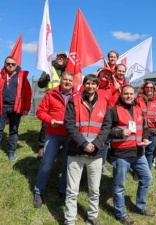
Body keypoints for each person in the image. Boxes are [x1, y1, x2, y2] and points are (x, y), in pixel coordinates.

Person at [64, 74, 111, 225]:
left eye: (93, 84)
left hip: (96, 153)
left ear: (97, 86)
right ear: (84, 85)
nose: (90, 86)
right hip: (76, 151)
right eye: (88, 83)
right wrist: (84, 143)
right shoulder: (74, 101)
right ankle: (70, 219)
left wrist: (95, 144)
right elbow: (69, 124)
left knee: (94, 189)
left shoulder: (104, 103)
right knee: (72, 190)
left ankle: (92, 216)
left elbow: (106, 127)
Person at [110, 85, 155, 225]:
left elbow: (145, 127)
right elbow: (105, 131)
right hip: (121, 154)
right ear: (121, 94)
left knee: (147, 178)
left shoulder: (138, 109)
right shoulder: (114, 110)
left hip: (138, 152)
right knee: (119, 186)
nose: (129, 96)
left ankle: (140, 206)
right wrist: (119, 133)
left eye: (131, 93)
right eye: (126, 93)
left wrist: (146, 138)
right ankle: (120, 213)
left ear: (134, 95)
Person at [33, 71, 76, 208]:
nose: (67, 82)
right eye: (65, 79)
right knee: (47, 162)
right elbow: (40, 111)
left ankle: (63, 190)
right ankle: (38, 191)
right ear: (61, 80)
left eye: (70, 80)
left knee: (67, 164)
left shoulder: (78, 96)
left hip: (70, 135)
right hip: (53, 133)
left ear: (73, 82)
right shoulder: (51, 93)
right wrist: (50, 120)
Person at [37, 52, 68, 159]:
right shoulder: (49, 68)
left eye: (64, 58)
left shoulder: (68, 70)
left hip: (64, 100)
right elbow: (40, 84)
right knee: (46, 124)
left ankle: (58, 148)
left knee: (62, 124)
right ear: (56, 58)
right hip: (51, 99)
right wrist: (47, 77)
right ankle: (42, 147)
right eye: (60, 57)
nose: (61, 59)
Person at [0, 56, 32, 161]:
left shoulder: (22, 77)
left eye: (13, 64)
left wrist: (26, 107)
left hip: (16, 108)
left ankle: (11, 152)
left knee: (14, 130)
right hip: (2, 107)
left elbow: (28, 93)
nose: (10, 66)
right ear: (4, 64)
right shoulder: (1, 76)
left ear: (16, 65)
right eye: (8, 64)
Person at [136, 81, 156, 168]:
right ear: (144, 89)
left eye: (151, 87)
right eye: (147, 87)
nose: (149, 89)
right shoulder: (138, 100)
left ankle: (147, 169)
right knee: (141, 150)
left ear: (154, 89)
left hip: (154, 130)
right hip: (142, 129)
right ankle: (139, 170)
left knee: (150, 151)